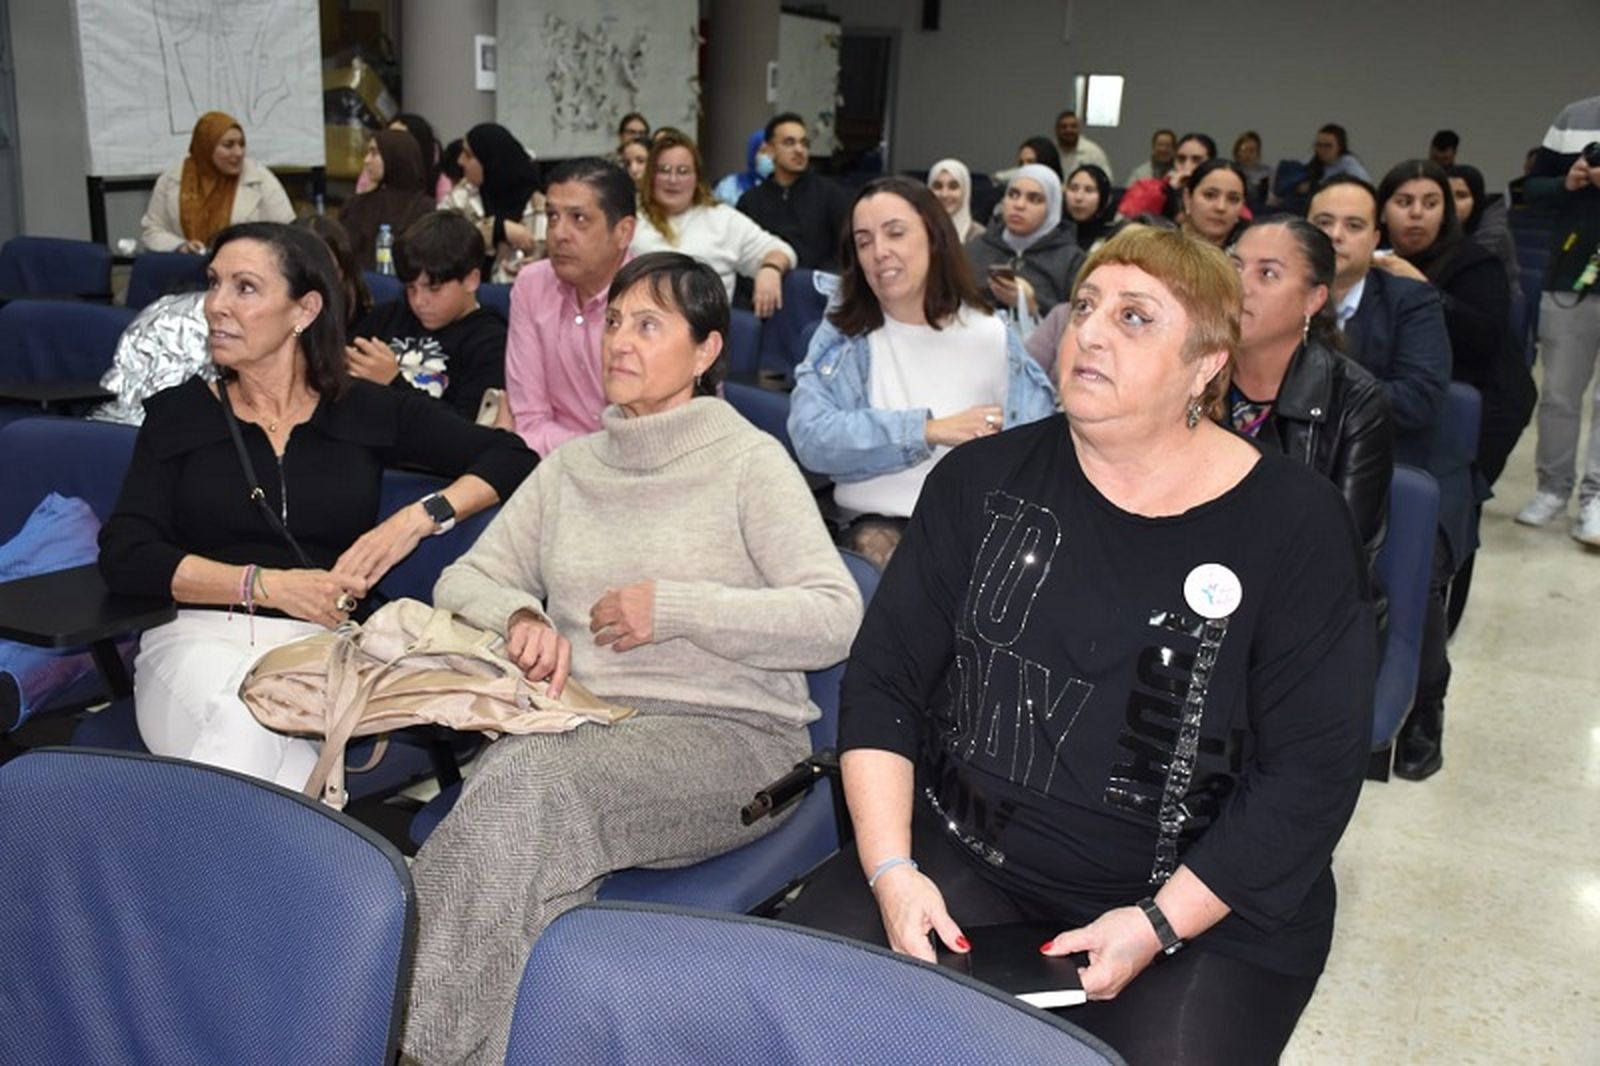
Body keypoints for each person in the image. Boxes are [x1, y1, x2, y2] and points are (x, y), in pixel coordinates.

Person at [782, 226, 1376, 1066]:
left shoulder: (1294, 524)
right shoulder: (977, 482)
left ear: (1206, 365)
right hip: (964, 850)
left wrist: (1160, 922)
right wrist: (891, 871)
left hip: (1202, 899)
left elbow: (1311, 774)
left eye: (1135, 317)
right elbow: (885, 684)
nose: (1090, 332)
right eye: (1086, 306)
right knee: (790, 1015)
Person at [399, 251, 864, 1064]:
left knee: (528, 790)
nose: (619, 340)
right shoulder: (572, 467)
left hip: (731, 742)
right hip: (582, 728)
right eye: (614, 320)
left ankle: (398, 1036)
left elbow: (834, 616)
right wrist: (520, 615)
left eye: (649, 325)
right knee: (533, 862)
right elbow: (464, 577)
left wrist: (677, 609)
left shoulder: (750, 463)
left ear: (706, 350)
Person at [96, 222, 536, 788]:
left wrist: (414, 520)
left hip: (317, 646)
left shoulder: (363, 410)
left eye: (244, 287)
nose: (215, 305)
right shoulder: (181, 414)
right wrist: (264, 586)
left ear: (304, 310)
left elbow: (512, 457)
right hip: (194, 638)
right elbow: (127, 554)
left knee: (268, 748)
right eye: (214, 283)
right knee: (246, 721)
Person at [789, 177, 1057, 566]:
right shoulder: (845, 336)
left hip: (968, 530)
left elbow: (1036, 448)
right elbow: (811, 439)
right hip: (869, 529)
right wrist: (927, 431)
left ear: (934, 237)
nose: (879, 252)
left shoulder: (990, 334)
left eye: (895, 233)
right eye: (864, 242)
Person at [1308, 175, 1469, 782]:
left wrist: (1320, 389)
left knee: (1413, 571)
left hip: (1409, 464)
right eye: (1323, 223)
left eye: (1353, 226)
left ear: (1376, 237)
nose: (1337, 237)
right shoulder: (1280, 293)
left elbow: (1422, 401)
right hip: (1311, 462)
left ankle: (1426, 702)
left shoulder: (1410, 301)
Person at [1229, 218, 1393, 571]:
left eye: (1267, 274)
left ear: (1314, 299)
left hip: (1297, 588)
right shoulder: (1194, 374)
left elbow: (1341, 551)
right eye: (1235, 266)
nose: (1240, 286)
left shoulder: (1356, 402)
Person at [1377, 159, 1535, 487]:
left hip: (1487, 400)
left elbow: (1482, 340)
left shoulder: (1477, 263)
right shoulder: (1374, 261)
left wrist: (1422, 288)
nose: (1417, 213)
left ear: (1445, 212)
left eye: (1430, 204)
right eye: (1404, 202)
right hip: (1409, 393)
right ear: (1382, 212)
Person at [505, 157, 636, 455]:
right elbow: (529, 421)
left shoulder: (663, 298)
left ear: (623, 232)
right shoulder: (531, 285)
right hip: (553, 466)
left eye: (578, 219)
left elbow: (658, 439)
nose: (558, 234)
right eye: (552, 217)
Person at [1514, 92, 1600, 543]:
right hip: (1569, 279)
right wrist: (1567, 182)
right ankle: (1552, 488)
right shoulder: (1573, 118)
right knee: (1559, 396)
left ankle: (1596, 498)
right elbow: (1532, 189)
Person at [347, 211, 507, 421]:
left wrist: (393, 382)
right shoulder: (388, 317)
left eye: (434, 289)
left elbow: (465, 430)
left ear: (471, 280)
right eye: (410, 288)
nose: (419, 301)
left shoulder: (490, 342)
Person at [629, 128, 795, 315]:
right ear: (651, 176)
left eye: (683, 171)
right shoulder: (631, 217)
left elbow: (782, 250)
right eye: (664, 170)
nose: (673, 180)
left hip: (706, 326)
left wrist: (770, 268)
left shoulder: (723, 219)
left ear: (697, 178)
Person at [141, 111, 295, 253]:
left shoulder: (261, 179)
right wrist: (181, 246)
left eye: (242, 144)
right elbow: (152, 230)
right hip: (186, 267)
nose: (238, 152)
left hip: (245, 265)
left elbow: (287, 233)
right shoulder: (171, 179)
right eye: (228, 145)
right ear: (206, 146)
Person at [964, 164, 1087, 323]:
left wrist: (1034, 304)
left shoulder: (1072, 261)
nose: (1019, 205)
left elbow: (1081, 321)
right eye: (1013, 195)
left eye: (1034, 199)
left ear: (1052, 208)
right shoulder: (975, 249)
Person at [737, 112, 850, 271]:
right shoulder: (750, 202)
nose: (799, 150)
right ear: (770, 150)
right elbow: (743, 256)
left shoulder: (831, 195)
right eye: (789, 143)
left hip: (818, 282)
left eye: (804, 143)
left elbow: (846, 252)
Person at [441, 123, 545, 283]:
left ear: (490, 161)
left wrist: (537, 259)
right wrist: (496, 229)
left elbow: (545, 250)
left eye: (468, 155)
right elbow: (440, 237)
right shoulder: (462, 195)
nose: (460, 161)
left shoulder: (537, 203)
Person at [339, 129, 436, 271]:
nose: (366, 160)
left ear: (396, 157)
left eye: (374, 153)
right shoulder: (356, 204)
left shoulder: (425, 209)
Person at [1446, 163, 1520, 295]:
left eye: (1461, 196)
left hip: (1498, 297)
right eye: (1447, 196)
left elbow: (1461, 268)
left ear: (1476, 198)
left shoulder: (1493, 232)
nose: (1452, 203)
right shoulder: (1447, 224)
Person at [1119, 132, 1214, 219]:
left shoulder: (1219, 193)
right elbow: (1126, 220)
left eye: (1197, 160)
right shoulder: (1152, 187)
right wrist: (1169, 191)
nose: (1187, 166)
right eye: (1181, 159)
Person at [1179, 159, 1250, 248]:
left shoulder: (1252, 250)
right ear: (1187, 199)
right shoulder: (1163, 249)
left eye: (1233, 199)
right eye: (1210, 195)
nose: (1221, 207)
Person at [1064, 163, 1118, 252]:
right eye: (1073, 189)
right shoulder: (1052, 236)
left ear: (1103, 197)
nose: (1078, 197)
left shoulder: (1114, 240)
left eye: (1089, 190)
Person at [928, 158, 984, 243]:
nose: (944, 194)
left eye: (953, 187)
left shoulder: (979, 237)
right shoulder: (919, 230)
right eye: (938, 186)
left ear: (965, 191)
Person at [713, 129, 771, 206]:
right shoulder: (730, 186)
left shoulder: (784, 189)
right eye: (764, 151)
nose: (769, 156)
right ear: (753, 154)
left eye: (772, 151)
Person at [1054, 109, 1113, 183]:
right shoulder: (1051, 150)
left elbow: (1106, 179)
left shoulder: (1093, 151)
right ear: (1056, 130)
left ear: (1079, 129)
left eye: (1073, 126)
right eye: (1063, 127)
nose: (1068, 130)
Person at [1232, 131, 1272, 205]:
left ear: (1258, 152)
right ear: (1237, 151)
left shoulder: (1266, 171)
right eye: (1244, 150)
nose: (1247, 154)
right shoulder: (1231, 170)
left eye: (1252, 150)